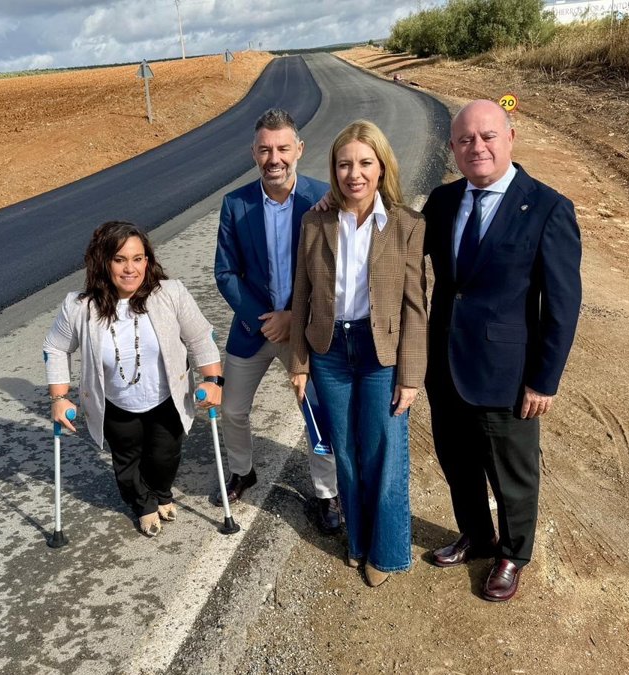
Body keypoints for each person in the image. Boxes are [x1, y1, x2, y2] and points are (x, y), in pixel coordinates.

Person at [422, 100, 582, 601]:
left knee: (512, 473)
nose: (478, 147)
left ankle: (513, 554)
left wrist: (544, 380)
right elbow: (393, 242)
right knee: (457, 462)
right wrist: (337, 204)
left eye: (488, 136)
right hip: (445, 363)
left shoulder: (548, 208)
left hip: (507, 374)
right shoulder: (442, 201)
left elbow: (562, 305)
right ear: (453, 148)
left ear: (510, 137)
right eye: (465, 139)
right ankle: (476, 535)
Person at [290, 120, 428, 587]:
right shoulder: (316, 221)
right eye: (344, 164)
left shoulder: (407, 224)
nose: (355, 174)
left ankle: (386, 553)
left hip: (379, 354)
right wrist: (299, 363)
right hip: (329, 352)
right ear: (333, 170)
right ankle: (357, 541)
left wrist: (410, 375)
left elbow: (415, 306)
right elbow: (301, 295)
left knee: (383, 452)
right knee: (345, 453)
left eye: (365, 163)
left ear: (381, 166)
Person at [44, 221, 223, 537]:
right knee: (127, 461)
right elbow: (55, 347)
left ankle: (162, 492)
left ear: (147, 260)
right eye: (120, 259)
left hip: (166, 398)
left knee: (165, 456)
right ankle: (143, 504)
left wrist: (213, 380)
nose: (131, 269)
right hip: (115, 402)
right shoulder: (79, 306)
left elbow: (199, 337)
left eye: (138, 258)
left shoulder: (170, 293)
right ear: (103, 262)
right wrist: (59, 398)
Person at [213, 108, 343, 533]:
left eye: (283, 148)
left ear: (299, 149)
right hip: (253, 329)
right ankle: (242, 471)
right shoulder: (236, 204)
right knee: (232, 409)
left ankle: (327, 493)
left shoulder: (324, 199)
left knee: (317, 412)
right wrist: (263, 319)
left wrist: (293, 318)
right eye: (265, 149)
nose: (275, 158)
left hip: (304, 330)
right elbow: (225, 273)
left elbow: (337, 273)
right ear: (253, 153)